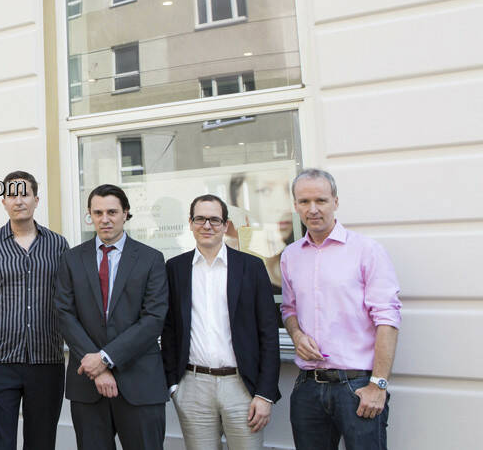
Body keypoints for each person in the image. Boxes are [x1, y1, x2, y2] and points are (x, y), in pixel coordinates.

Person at [282, 169, 401, 450]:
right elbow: (289, 310)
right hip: (308, 386)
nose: (313, 209)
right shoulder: (291, 255)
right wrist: (297, 336)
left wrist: (378, 385)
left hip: (358, 386)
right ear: (296, 205)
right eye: (304, 202)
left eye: (321, 200)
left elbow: (388, 320)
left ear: (336, 201)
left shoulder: (367, 251)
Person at [162, 194, 281, 449]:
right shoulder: (175, 268)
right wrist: (174, 386)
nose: (207, 226)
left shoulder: (251, 267)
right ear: (190, 223)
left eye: (215, 220)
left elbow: (269, 333)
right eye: (200, 219)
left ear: (226, 225)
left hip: (241, 386)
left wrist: (265, 394)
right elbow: (169, 329)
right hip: (192, 386)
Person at [55, 183, 168, 450]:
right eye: (97, 213)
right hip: (87, 384)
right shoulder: (71, 259)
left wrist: (105, 359)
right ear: (90, 215)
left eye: (112, 212)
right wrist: (95, 367)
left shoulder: (151, 259)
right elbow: (64, 313)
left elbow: (154, 319)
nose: (104, 219)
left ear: (126, 213)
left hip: (139, 382)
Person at [0, 170, 69, 450]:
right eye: (11, 194)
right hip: (0, 360)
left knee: (41, 441)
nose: (18, 200)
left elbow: (66, 298)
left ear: (36, 200)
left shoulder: (58, 245)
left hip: (46, 359)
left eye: (24, 194)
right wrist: (3, 327)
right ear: (3, 201)